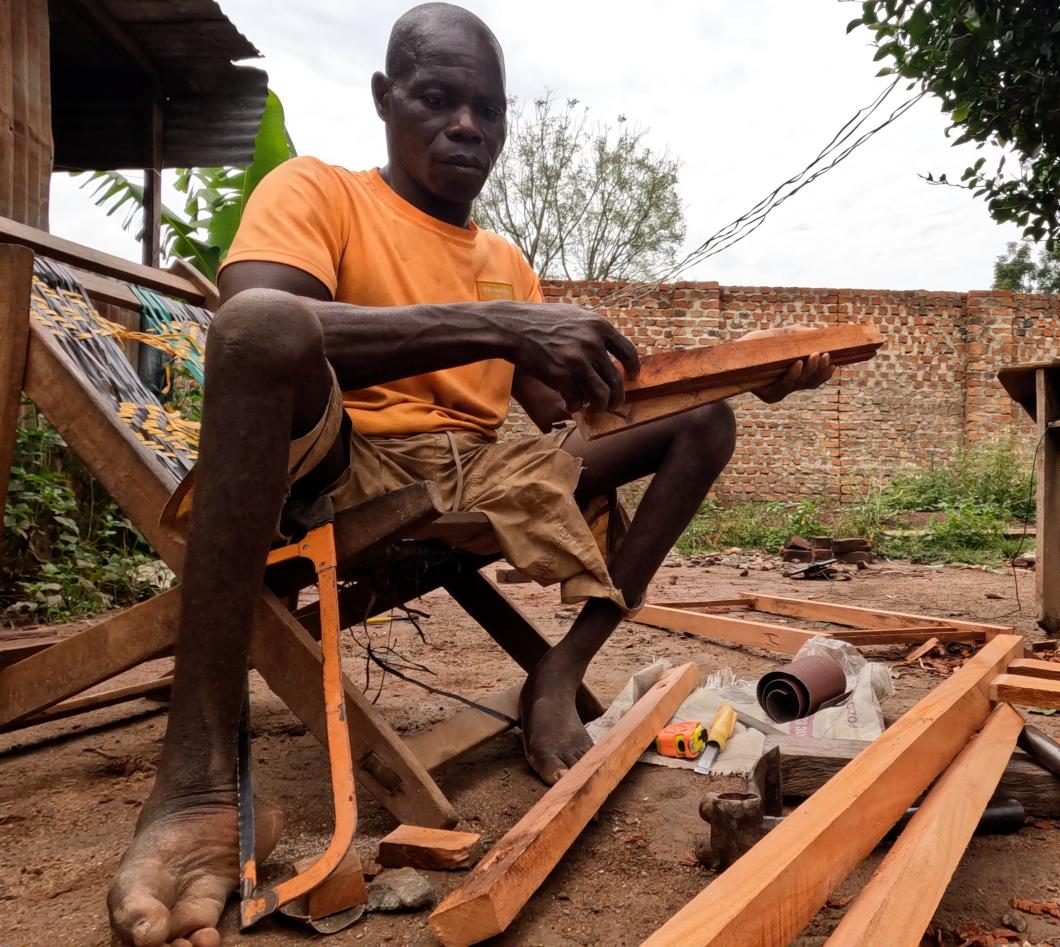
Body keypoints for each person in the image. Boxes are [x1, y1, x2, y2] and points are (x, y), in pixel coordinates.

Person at [106, 4, 832, 945]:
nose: (466, 126)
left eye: (487, 109)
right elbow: (255, 329)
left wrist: (744, 375)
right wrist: (497, 324)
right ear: (384, 98)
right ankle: (194, 783)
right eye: (437, 99)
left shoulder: (504, 261)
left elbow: (564, 408)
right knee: (259, 324)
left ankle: (559, 671)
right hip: (346, 461)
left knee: (705, 420)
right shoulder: (318, 191)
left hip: (484, 471)